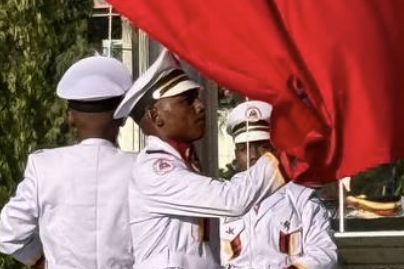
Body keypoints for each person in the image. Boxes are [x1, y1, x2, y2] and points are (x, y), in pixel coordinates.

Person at [116, 50, 286, 269]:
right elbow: (232, 200)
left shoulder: (185, 162)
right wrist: (283, 157)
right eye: (186, 101)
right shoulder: (155, 170)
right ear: (156, 116)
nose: (200, 105)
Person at [0, 55, 137, 269]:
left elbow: (9, 234)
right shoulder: (142, 168)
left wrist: (42, 261)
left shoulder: (44, 167)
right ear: (122, 116)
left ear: (70, 118)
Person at [219, 101, 338, 269]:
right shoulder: (219, 199)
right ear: (236, 154)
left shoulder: (301, 199)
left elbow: (324, 253)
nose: (253, 156)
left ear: (277, 150)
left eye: (263, 147)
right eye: (244, 149)